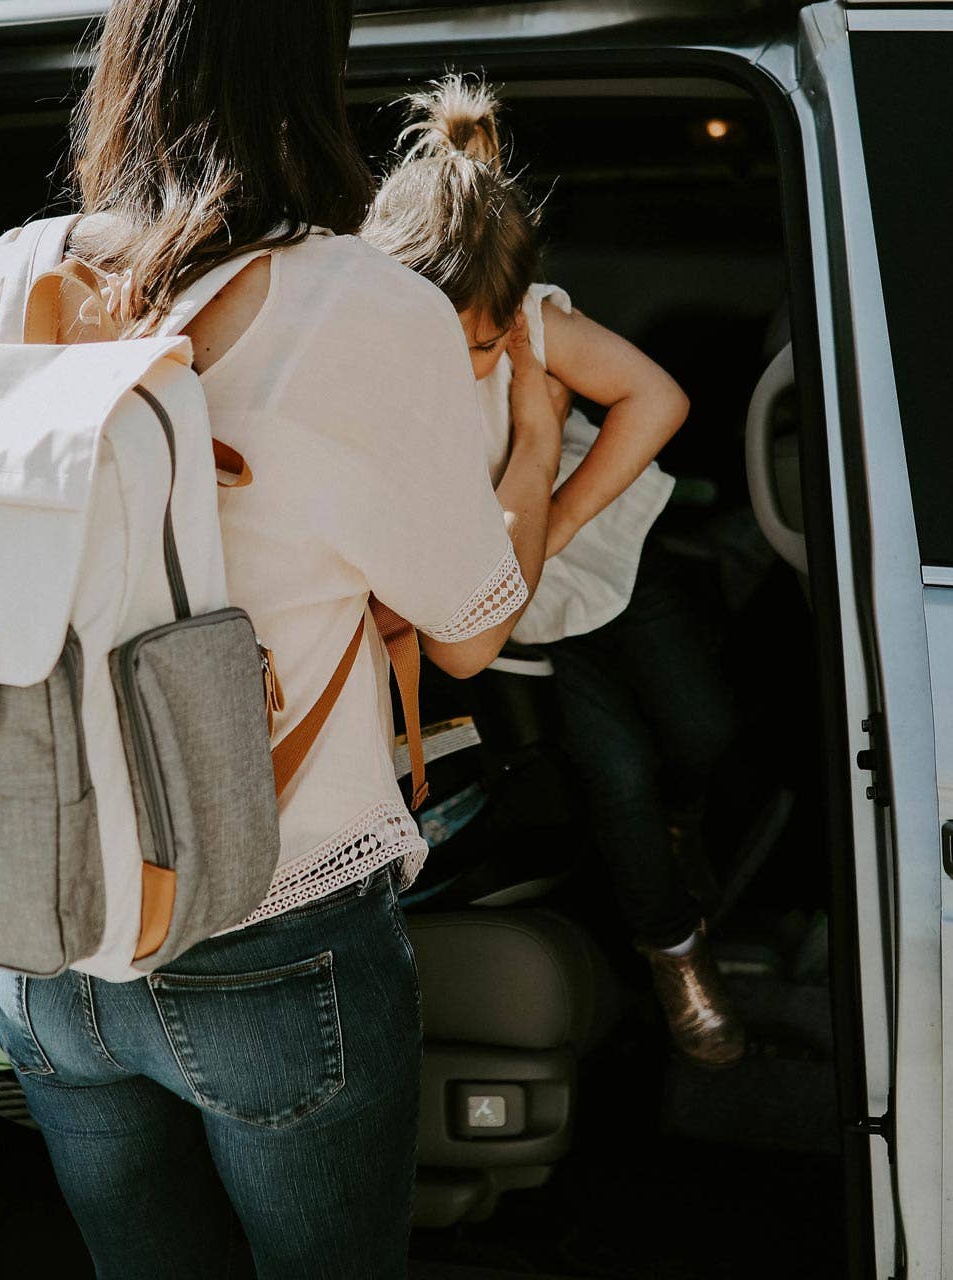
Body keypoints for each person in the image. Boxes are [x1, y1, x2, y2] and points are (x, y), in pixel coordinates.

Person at [0, 9, 564, 1279]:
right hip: (270, 927)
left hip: (47, 924)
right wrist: (541, 451)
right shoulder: (365, 307)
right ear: (312, 73)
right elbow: (468, 635)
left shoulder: (5, 276)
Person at [362, 75, 745, 1069]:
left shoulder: (530, 325)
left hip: (600, 548)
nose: (473, 364)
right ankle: (674, 953)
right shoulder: (372, 379)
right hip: (522, 613)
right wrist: (510, 555)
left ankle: (682, 823)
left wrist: (557, 520)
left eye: (485, 345)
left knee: (703, 728)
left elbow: (656, 400)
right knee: (611, 774)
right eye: (450, 346)